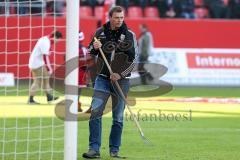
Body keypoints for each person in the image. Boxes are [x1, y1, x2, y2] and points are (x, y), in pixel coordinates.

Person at [82, 6, 138, 159]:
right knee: (95, 112)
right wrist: (94, 47)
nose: (119, 20)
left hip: (122, 81)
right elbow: (89, 51)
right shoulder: (100, 32)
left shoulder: (129, 35)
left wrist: (120, 75)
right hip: (102, 79)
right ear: (110, 17)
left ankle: (114, 151)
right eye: (116, 17)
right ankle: (94, 149)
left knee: (118, 118)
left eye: (121, 17)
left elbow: (134, 61)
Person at [28, 30, 62, 104]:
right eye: (57, 40)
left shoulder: (45, 40)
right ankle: (31, 99)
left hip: (36, 63)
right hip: (38, 64)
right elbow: (45, 57)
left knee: (46, 80)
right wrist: (49, 68)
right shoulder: (46, 42)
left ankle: (49, 97)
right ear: (55, 37)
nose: (56, 42)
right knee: (38, 81)